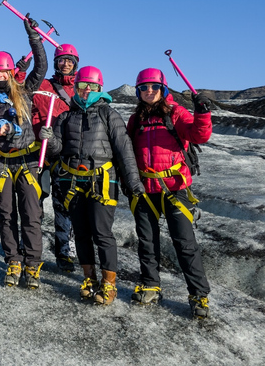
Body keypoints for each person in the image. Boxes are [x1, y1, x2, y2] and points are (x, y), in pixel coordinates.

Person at [40, 66, 144, 305]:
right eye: (82, 86)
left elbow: (124, 150)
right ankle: (89, 278)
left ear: (100, 88)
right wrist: (50, 139)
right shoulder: (66, 116)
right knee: (82, 234)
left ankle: (109, 284)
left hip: (102, 182)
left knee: (102, 233)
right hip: (74, 183)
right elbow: (57, 150)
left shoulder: (110, 114)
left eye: (92, 86)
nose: (87, 90)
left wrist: (133, 182)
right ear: (75, 88)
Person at [127, 68, 213, 319]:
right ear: (138, 91)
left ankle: (199, 295)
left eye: (154, 87)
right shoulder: (136, 119)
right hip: (144, 190)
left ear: (164, 89)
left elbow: (200, 134)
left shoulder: (176, 113)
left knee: (185, 243)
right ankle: (151, 284)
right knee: (147, 241)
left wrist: (203, 112)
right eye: (144, 87)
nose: (149, 91)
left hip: (175, 188)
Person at [0, 16, 48, 288]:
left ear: (11, 73)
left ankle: (32, 265)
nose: (0, 76)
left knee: (31, 215)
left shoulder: (25, 91)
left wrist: (33, 37)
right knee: (6, 214)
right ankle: (13, 260)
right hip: (0, 164)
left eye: (4, 72)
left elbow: (41, 66)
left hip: (28, 162)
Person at [31, 43, 80, 272]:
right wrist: (21, 71)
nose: (66, 64)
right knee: (35, 203)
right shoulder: (43, 85)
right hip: (39, 153)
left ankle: (65, 252)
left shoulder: (81, 90)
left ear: (75, 64)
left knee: (63, 206)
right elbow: (22, 87)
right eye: (62, 60)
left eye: (70, 60)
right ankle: (31, 248)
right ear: (56, 62)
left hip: (65, 156)